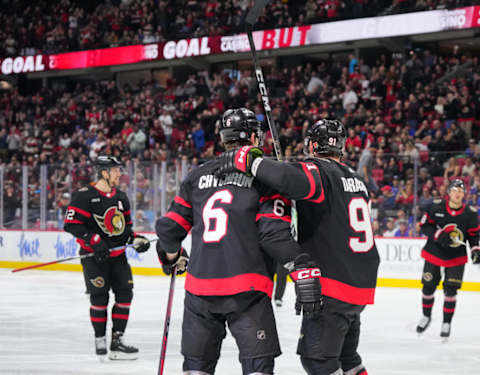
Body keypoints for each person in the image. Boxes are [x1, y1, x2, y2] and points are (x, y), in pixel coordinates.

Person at [154, 108, 322, 375]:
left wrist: (172, 255)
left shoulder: (197, 176)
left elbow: (169, 229)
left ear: (223, 138)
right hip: (247, 292)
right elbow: (272, 235)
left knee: (196, 369)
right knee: (257, 369)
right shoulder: (266, 178)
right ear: (255, 138)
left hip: (199, 292)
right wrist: (300, 266)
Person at [217, 119, 380, 375]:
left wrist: (249, 160)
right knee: (347, 358)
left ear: (313, 145)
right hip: (359, 283)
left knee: (319, 361)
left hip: (331, 284)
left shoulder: (319, 171)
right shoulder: (356, 178)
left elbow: (288, 178)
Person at [63, 155, 151, 359]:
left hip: (118, 257)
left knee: (125, 295)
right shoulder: (84, 196)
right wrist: (93, 239)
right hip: (94, 258)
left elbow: (125, 230)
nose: (119, 174)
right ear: (104, 172)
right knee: (99, 297)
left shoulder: (121, 197)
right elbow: (71, 224)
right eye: (115, 170)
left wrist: (137, 240)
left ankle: (117, 340)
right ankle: (100, 338)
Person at [416, 179, 480, 338]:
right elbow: (424, 225)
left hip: (456, 257)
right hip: (434, 253)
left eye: (460, 191)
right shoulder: (436, 206)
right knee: (428, 286)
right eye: (454, 190)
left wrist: (475, 249)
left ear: (463, 195)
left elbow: (473, 235)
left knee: (450, 291)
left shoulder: (470, 214)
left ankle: (446, 322)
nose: (457, 194)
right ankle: (426, 316)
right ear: (449, 192)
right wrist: (437, 235)